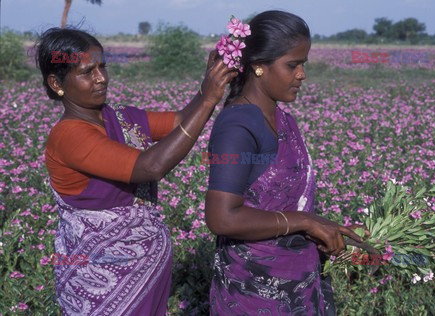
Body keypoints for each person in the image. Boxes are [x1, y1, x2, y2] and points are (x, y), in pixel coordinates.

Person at [36, 27, 236, 315]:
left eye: (102, 66)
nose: (101, 78)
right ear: (57, 83)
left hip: (146, 272)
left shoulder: (119, 116)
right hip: (101, 281)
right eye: (87, 71)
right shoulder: (69, 135)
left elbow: (179, 121)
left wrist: (207, 87)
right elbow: (150, 167)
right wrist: (208, 100)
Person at [205, 11, 363, 315]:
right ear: (259, 67)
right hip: (254, 293)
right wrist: (305, 221)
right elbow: (222, 218)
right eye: (292, 65)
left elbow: (284, 205)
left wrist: (327, 228)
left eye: (303, 64)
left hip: (298, 284)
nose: (302, 74)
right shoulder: (238, 127)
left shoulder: (282, 119)